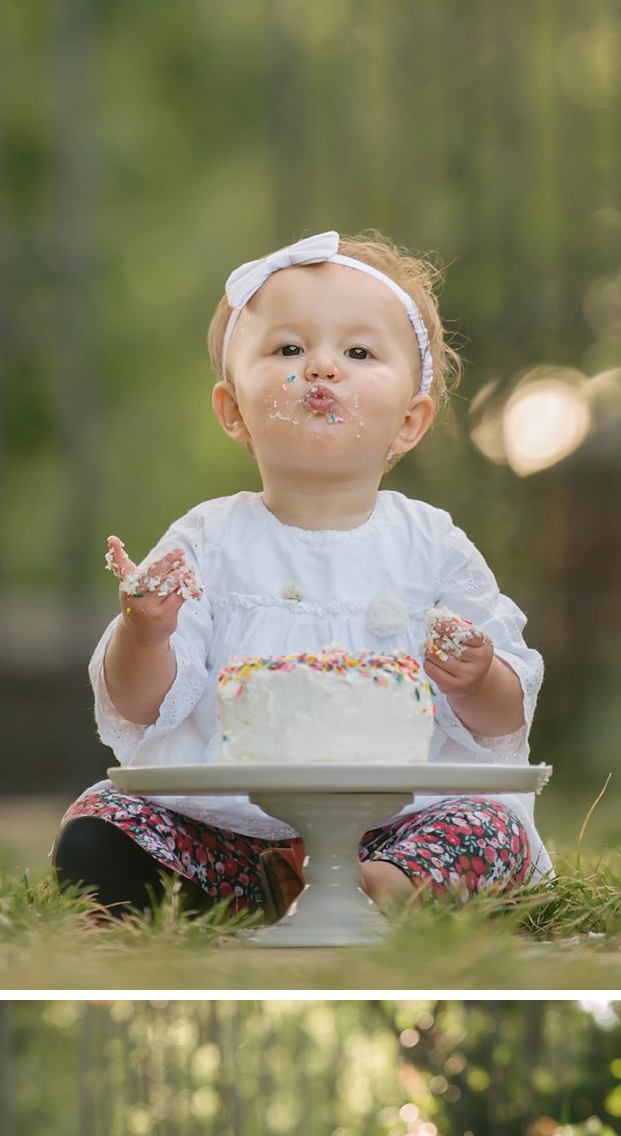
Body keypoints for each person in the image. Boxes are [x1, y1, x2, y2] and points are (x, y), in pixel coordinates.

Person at [53, 230, 548, 922]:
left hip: (398, 820)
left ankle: (379, 884)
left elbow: (505, 717)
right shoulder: (208, 540)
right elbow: (138, 706)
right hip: (237, 821)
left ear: (409, 421)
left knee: (489, 829)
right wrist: (146, 633)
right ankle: (257, 885)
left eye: (358, 351)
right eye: (289, 348)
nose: (321, 366)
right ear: (233, 410)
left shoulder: (431, 544)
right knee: (102, 817)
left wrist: (478, 674)